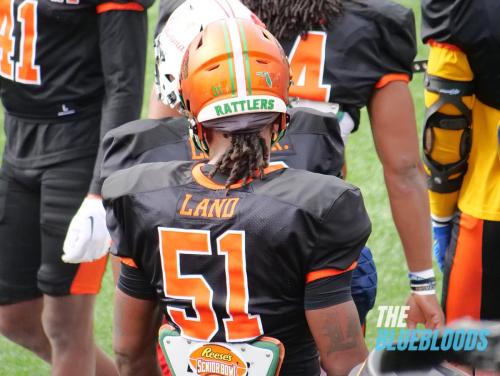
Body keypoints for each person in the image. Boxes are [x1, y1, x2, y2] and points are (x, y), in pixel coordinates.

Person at [148, 0, 444, 328]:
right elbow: (403, 169)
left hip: (208, 242)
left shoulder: (198, 15)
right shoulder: (369, 24)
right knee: (336, 358)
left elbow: (159, 146)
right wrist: (423, 284)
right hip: (313, 239)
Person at [103, 18, 371, 376]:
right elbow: (344, 361)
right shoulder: (318, 205)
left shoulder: (139, 195)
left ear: (192, 109)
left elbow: (129, 354)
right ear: (281, 108)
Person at [0, 1, 151, 375]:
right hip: (19, 141)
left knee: (65, 324)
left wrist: (100, 190)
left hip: (80, 153)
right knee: (13, 314)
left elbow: (124, 84)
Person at [421, 0, 500, 322]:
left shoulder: (462, 7)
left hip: (490, 207)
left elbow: (445, 125)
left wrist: (440, 214)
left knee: (471, 358)